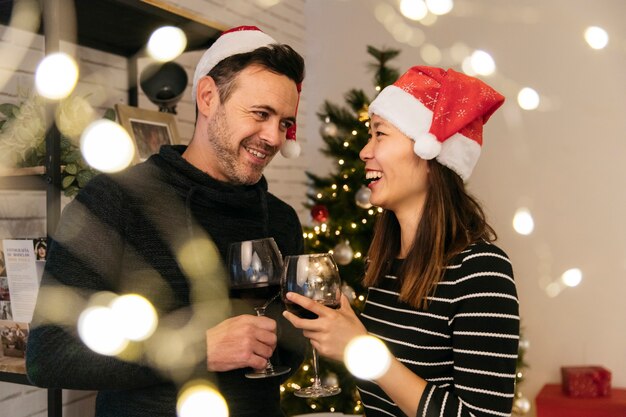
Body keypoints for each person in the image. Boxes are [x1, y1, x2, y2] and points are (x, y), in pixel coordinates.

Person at [26, 26, 306, 417]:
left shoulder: (280, 219)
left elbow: (293, 347)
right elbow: (48, 355)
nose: (274, 137)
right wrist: (196, 349)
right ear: (208, 97)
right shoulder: (116, 200)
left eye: (284, 123)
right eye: (261, 114)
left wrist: (305, 335)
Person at [283, 66, 520, 417]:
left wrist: (364, 349)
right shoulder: (387, 265)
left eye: (381, 134)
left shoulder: (481, 272)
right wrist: (349, 341)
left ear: (429, 155)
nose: (365, 151)